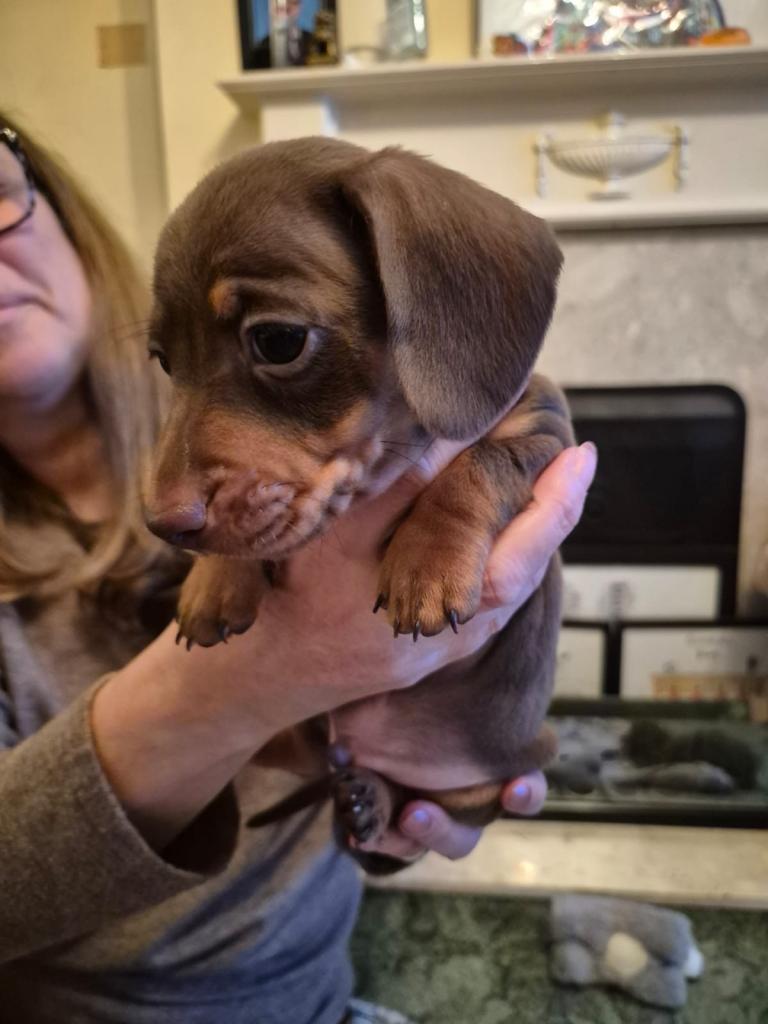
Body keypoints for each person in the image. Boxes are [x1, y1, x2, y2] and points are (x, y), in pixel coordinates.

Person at [0, 112, 597, 1023]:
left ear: (53, 201)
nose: (175, 511)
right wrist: (254, 678)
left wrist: (394, 810)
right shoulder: (226, 471)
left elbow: (520, 416)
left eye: (277, 341)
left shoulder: (285, 415)